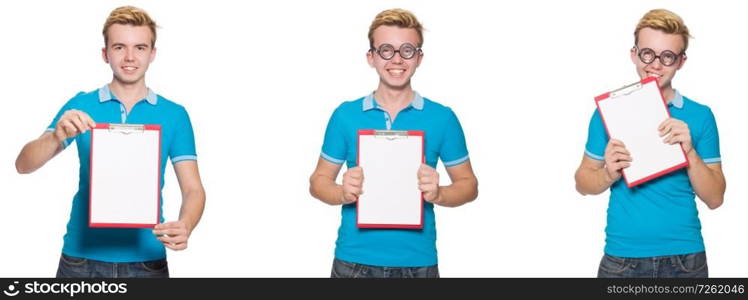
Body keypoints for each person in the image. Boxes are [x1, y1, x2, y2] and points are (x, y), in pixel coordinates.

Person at [15, 6, 206, 278]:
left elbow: (193, 190)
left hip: (147, 261)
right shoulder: (80, 105)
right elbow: (23, 165)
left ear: (152, 53)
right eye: (119, 47)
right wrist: (55, 136)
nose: (130, 57)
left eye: (140, 47)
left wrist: (186, 224)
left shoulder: (174, 115)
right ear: (105, 54)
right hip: (80, 261)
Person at [309, 8, 478, 278]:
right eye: (386, 50)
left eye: (407, 50)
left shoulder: (442, 118)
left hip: (417, 263)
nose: (396, 59)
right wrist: (341, 191)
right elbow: (318, 181)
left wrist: (440, 193)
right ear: (371, 57)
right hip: (354, 261)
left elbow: (469, 185)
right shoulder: (345, 116)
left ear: (419, 58)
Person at [574, 9, 725, 278]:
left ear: (681, 61)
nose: (655, 64)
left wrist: (689, 151)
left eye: (668, 56)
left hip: (685, 260)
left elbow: (715, 198)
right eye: (648, 53)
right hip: (622, 259)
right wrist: (608, 173)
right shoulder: (608, 113)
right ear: (634, 54)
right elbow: (582, 183)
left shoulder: (701, 116)